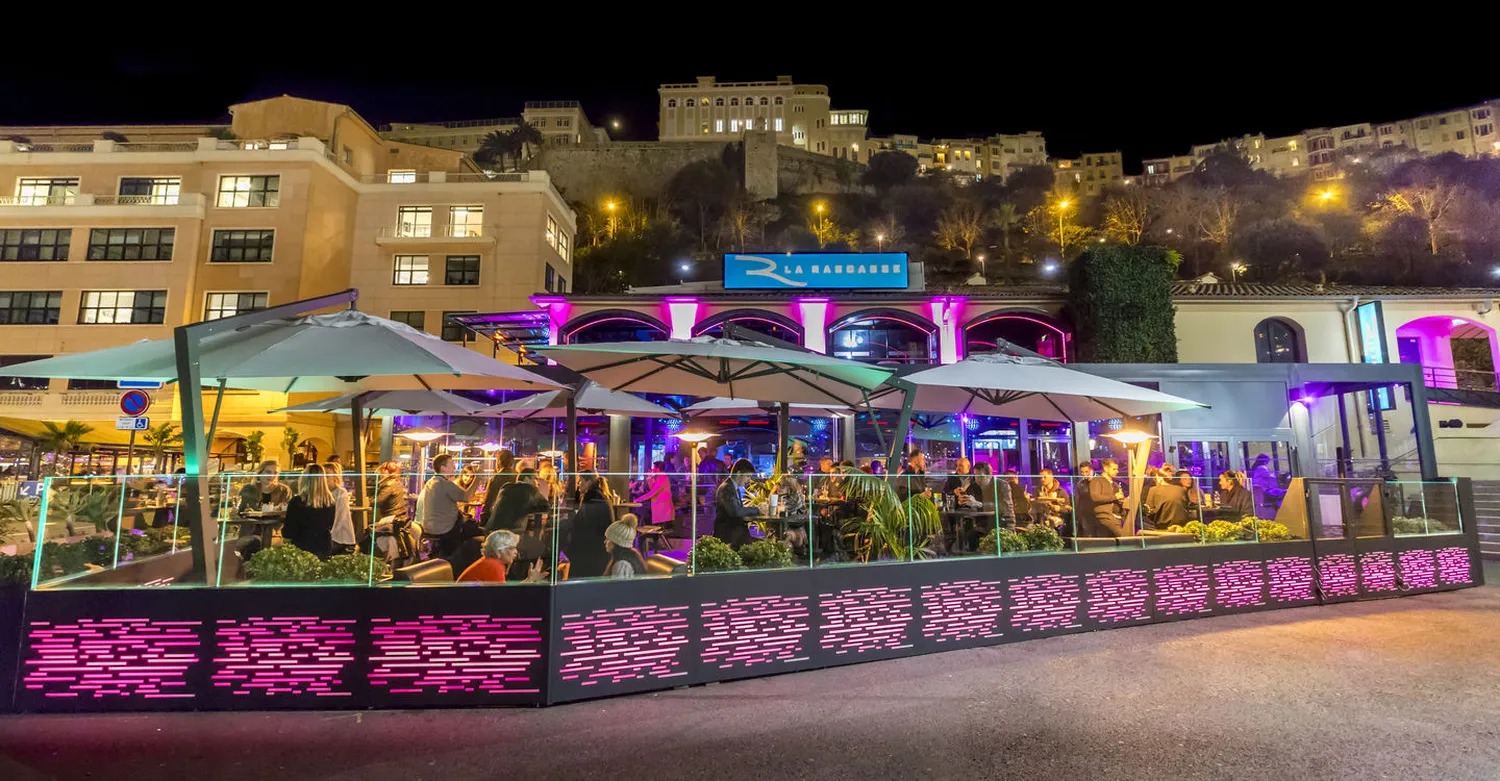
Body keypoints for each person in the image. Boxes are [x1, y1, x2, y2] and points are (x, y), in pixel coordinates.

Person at [420, 454, 482, 569]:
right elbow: (467, 497)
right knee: (478, 533)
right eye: (452, 465)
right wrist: (477, 477)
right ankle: (463, 569)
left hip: (430, 528)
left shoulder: (431, 482)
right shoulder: (444, 484)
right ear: (443, 468)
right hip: (446, 530)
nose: (455, 467)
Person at [563, 475, 616, 578]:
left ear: (588, 482)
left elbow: (581, 522)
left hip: (592, 548)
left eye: (581, 481)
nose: (578, 484)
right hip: (601, 546)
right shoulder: (600, 495)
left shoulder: (591, 497)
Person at [283, 464, 336, 558]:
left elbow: (289, 531)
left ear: (304, 479)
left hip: (301, 548)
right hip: (324, 546)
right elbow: (330, 525)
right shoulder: (330, 501)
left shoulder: (297, 501)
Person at [457, 530, 547, 583]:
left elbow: (506, 593)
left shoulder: (490, 562)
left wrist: (529, 580)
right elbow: (505, 598)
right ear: (498, 552)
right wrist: (529, 582)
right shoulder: (493, 566)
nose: (516, 552)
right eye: (512, 548)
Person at [713, 458, 762, 548]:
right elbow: (735, 511)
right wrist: (757, 509)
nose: (749, 480)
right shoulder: (727, 488)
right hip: (729, 536)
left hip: (735, 534)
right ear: (739, 473)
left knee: (763, 544)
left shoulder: (733, 487)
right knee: (762, 547)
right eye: (748, 476)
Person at [373, 460, 415, 564]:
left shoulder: (388, 484)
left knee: (369, 535)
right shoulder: (397, 483)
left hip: (391, 517)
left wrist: (367, 500)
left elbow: (378, 502)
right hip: (401, 517)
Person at [485, 468, 550, 532]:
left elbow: (492, 508)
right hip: (510, 532)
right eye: (535, 478)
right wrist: (527, 509)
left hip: (490, 531)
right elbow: (546, 507)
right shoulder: (531, 488)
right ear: (526, 479)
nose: (538, 483)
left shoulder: (506, 486)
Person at [1079, 458, 1126, 537]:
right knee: (1124, 536)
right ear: (1105, 468)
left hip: (1117, 516)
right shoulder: (1097, 481)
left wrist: (1122, 500)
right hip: (1105, 517)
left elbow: (1117, 499)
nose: (1117, 471)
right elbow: (1095, 497)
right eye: (1114, 469)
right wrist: (1115, 497)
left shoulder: (1115, 484)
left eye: (1117, 469)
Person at [324, 461, 356, 554]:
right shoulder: (323, 493)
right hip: (328, 536)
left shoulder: (341, 492)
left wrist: (328, 535)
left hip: (341, 538)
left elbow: (340, 517)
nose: (324, 478)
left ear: (335, 477)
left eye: (327, 475)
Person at [604, 514, 647, 579]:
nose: (605, 542)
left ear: (617, 543)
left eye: (608, 539)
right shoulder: (631, 555)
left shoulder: (622, 564)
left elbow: (619, 588)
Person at [480, 450, 517, 523]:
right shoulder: (517, 476)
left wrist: (482, 518)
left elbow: (488, 501)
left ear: (498, 461)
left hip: (497, 517)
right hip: (514, 517)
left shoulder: (495, 479)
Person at [636, 461, 675, 527]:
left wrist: (639, 499)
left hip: (662, 506)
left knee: (642, 512)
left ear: (658, 469)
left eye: (654, 467)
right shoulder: (659, 477)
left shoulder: (662, 478)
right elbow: (653, 488)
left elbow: (653, 492)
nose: (652, 469)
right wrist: (649, 478)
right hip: (658, 505)